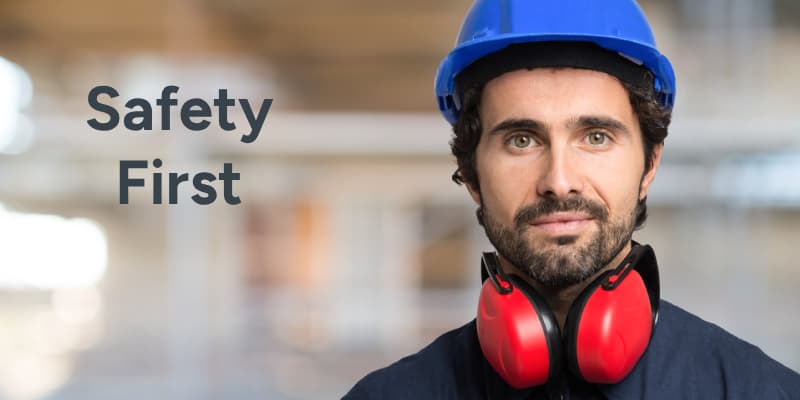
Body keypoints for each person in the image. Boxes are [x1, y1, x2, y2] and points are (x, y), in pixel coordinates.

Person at [344, 0, 800, 398]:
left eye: (596, 137)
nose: (559, 182)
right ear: (470, 174)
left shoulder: (757, 390)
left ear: (650, 164)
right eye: (522, 140)